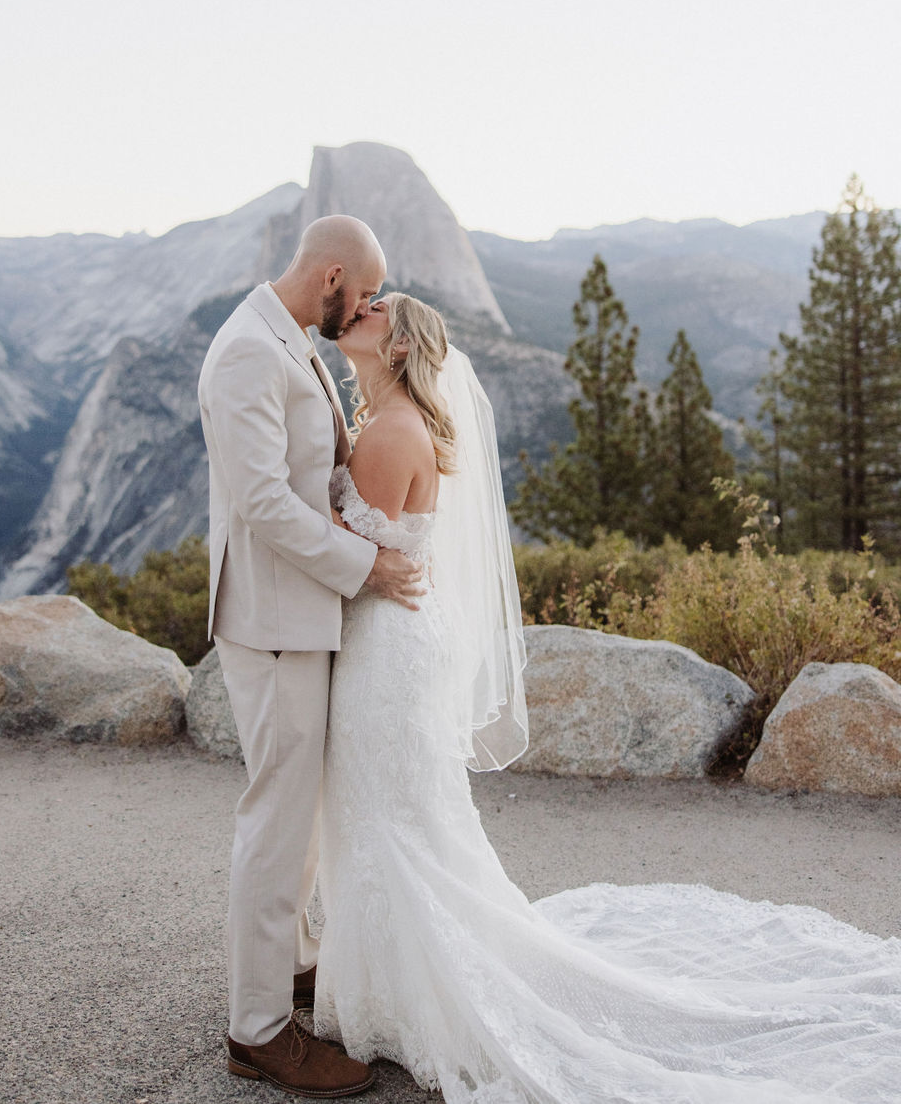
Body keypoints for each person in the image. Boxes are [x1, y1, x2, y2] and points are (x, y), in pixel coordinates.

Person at [316, 290, 901, 1104]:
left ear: (403, 347)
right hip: (402, 639)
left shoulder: (388, 433)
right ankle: (388, 979)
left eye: (378, 308)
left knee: (388, 816)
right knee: (405, 814)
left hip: (387, 647)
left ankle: (409, 991)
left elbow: (339, 548)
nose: (361, 309)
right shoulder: (390, 425)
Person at [197, 217, 425, 1096]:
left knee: (294, 820)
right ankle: (256, 1031)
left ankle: (291, 963)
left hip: (300, 609)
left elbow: (306, 478)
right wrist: (370, 565)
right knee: (276, 821)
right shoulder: (249, 351)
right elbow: (261, 503)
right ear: (332, 274)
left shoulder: (289, 336)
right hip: (274, 618)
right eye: (363, 293)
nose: (367, 307)